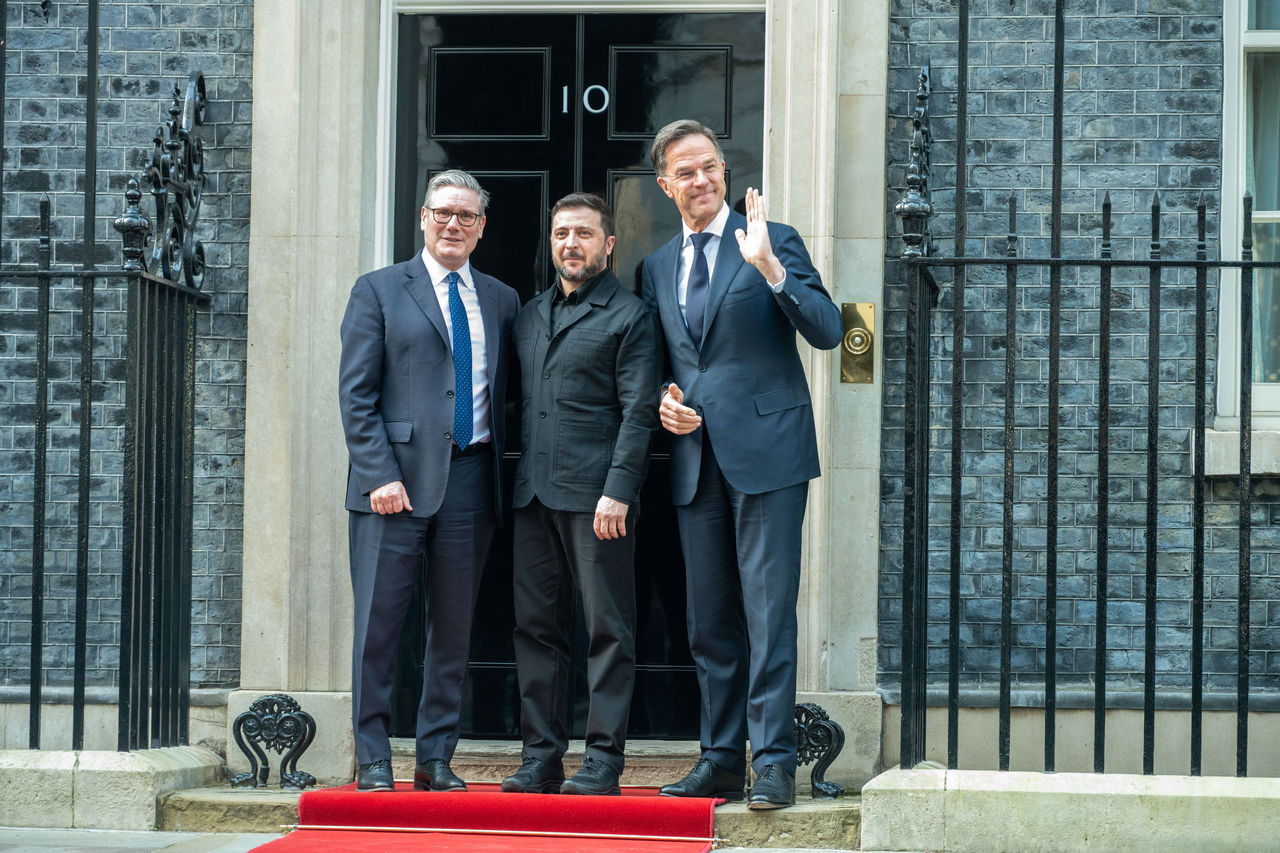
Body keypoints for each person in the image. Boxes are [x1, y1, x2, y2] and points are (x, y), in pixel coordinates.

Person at [640, 120, 842, 809]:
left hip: (769, 455)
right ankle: (722, 758)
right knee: (710, 623)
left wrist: (769, 268)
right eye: (686, 172)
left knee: (767, 614)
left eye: (711, 166)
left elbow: (828, 329)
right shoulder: (656, 265)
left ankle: (776, 762)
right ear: (666, 185)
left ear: (725, 172)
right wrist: (663, 400)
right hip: (696, 460)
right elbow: (663, 364)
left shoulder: (772, 238)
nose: (702, 179)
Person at [339, 170, 521, 793]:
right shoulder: (379, 290)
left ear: (481, 227)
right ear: (422, 217)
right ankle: (372, 759)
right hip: (393, 487)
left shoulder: (501, 298)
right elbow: (356, 397)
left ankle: (434, 757)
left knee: (453, 629)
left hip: (472, 480)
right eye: (443, 213)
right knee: (379, 629)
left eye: (466, 216)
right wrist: (378, 476)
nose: (454, 225)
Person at [501, 193, 661, 796]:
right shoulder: (530, 314)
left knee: (606, 630)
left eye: (584, 234)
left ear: (609, 243)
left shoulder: (629, 316)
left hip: (599, 503)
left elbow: (639, 413)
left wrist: (619, 491)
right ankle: (540, 756)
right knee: (535, 631)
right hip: (533, 497)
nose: (571, 243)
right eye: (562, 233)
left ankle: (602, 761)